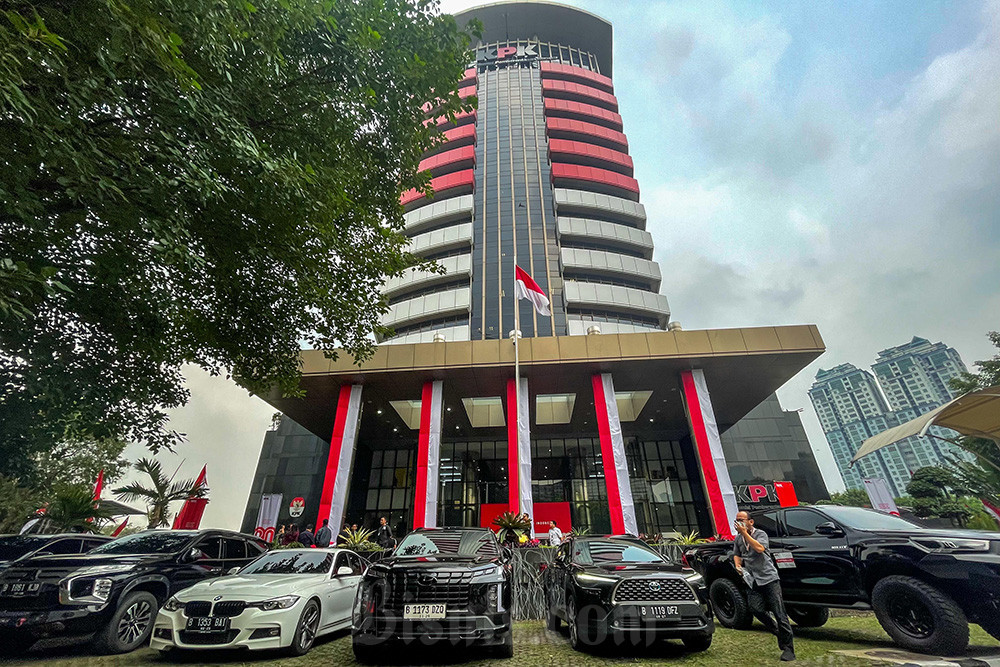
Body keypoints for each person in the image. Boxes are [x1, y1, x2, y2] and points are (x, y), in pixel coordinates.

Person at [733, 510, 795, 661]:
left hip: (768, 578)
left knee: (779, 613)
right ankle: (777, 631)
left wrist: (744, 533)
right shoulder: (738, 539)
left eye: (742, 520)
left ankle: (788, 649)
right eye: (737, 520)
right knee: (755, 608)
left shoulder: (760, 534)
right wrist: (738, 565)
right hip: (752, 579)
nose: (738, 523)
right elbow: (737, 554)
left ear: (750, 522)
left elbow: (760, 548)